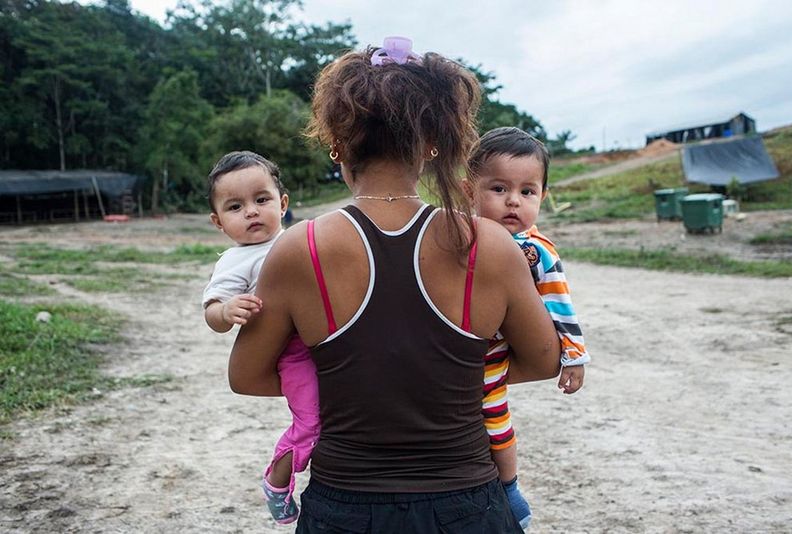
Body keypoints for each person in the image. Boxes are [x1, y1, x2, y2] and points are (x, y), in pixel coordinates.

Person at [228, 36, 561, 533]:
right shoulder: (489, 243)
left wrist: (356, 383)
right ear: (431, 144)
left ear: (337, 143)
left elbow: (247, 376)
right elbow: (544, 359)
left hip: (344, 508)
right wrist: (448, 376)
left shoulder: (301, 248)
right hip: (468, 506)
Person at [466, 126, 591, 528]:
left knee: (493, 416)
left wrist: (574, 354)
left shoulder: (534, 250)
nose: (513, 202)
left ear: (543, 197)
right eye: (498, 189)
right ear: (470, 191)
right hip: (458, 346)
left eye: (527, 191)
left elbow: (559, 302)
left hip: (495, 352)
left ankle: (509, 488)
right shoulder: (461, 234)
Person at [202, 151, 318, 525]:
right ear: (218, 222)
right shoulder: (235, 262)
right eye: (236, 206)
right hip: (294, 354)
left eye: (261, 199)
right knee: (312, 423)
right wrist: (227, 311)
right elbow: (213, 312)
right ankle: (278, 482)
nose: (251, 211)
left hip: (330, 339)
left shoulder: (302, 238)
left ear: (282, 204)